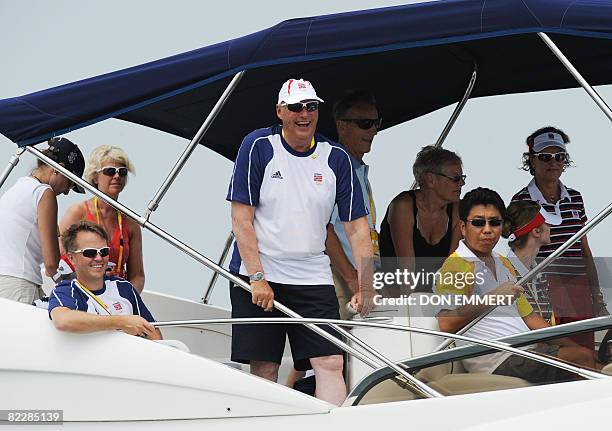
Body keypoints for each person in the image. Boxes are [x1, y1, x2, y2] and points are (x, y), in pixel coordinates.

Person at [226, 78, 374, 406]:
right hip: (261, 273)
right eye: (295, 107)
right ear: (280, 112)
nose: (303, 114)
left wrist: (365, 284)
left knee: (331, 361)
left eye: (311, 107)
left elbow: (357, 229)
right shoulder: (257, 146)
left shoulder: (336, 157)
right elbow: (241, 219)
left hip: (312, 273)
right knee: (265, 366)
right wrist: (257, 277)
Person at [435, 187, 600, 383]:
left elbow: (530, 319)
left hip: (525, 351)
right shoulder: (455, 266)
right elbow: (446, 322)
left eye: (494, 222)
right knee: (582, 359)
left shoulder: (503, 263)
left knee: (588, 357)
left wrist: (576, 347)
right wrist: (493, 297)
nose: (487, 230)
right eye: (478, 223)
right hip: (497, 360)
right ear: (463, 227)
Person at [511, 127, 608, 349]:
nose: (553, 162)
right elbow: (520, 256)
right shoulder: (522, 201)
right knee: (560, 352)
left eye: (559, 156)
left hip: (578, 285)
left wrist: (597, 297)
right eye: (545, 157)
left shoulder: (575, 197)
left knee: (584, 351)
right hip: (545, 289)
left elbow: (584, 249)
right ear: (532, 161)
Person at [0, 137, 85, 304]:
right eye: (70, 183)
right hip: (19, 284)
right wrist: (80, 287)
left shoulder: (18, 187)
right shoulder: (44, 193)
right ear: (59, 169)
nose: (67, 192)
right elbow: (51, 264)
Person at [48, 220, 161, 340]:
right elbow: (63, 321)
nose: (98, 258)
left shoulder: (123, 287)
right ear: (71, 258)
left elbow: (154, 334)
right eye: (90, 252)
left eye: (104, 251)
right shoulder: (66, 291)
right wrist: (121, 322)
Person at [378, 146, 464, 294]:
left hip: (432, 297)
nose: (462, 183)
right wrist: (414, 312)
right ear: (430, 180)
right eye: (455, 178)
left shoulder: (457, 210)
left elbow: (451, 268)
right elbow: (407, 270)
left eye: (462, 178)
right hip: (394, 298)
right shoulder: (403, 206)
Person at [60, 145, 145, 293]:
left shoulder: (131, 224)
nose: (117, 176)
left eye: (122, 172)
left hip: (116, 297)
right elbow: (56, 254)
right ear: (95, 177)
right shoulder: (78, 212)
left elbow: (137, 276)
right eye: (110, 171)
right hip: (82, 292)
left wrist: (127, 298)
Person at [327, 90, 381, 319]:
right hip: (344, 278)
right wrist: (352, 280)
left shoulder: (358, 169)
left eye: (376, 123)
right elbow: (324, 230)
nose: (373, 130)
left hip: (366, 278)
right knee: (341, 350)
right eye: (364, 123)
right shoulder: (333, 167)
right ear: (341, 126)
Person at [503, 200, 561, 325]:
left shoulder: (541, 274)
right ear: (536, 231)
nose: (551, 226)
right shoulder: (504, 274)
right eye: (547, 223)